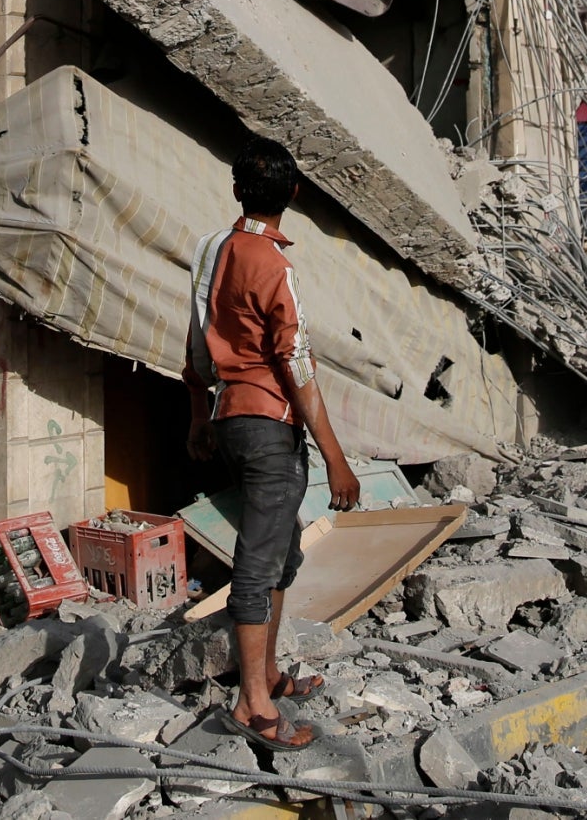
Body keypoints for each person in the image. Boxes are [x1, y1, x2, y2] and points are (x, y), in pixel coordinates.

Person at [184, 136, 361, 750]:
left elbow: (194, 346)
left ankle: (267, 676)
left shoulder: (214, 251)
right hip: (269, 428)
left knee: (281, 555)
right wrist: (336, 457)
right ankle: (252, 705)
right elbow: (297, 361)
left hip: (230, 416)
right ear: (293, 194)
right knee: (258, 567)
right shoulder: (274, 264)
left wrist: (197, 418)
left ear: (236, 190)